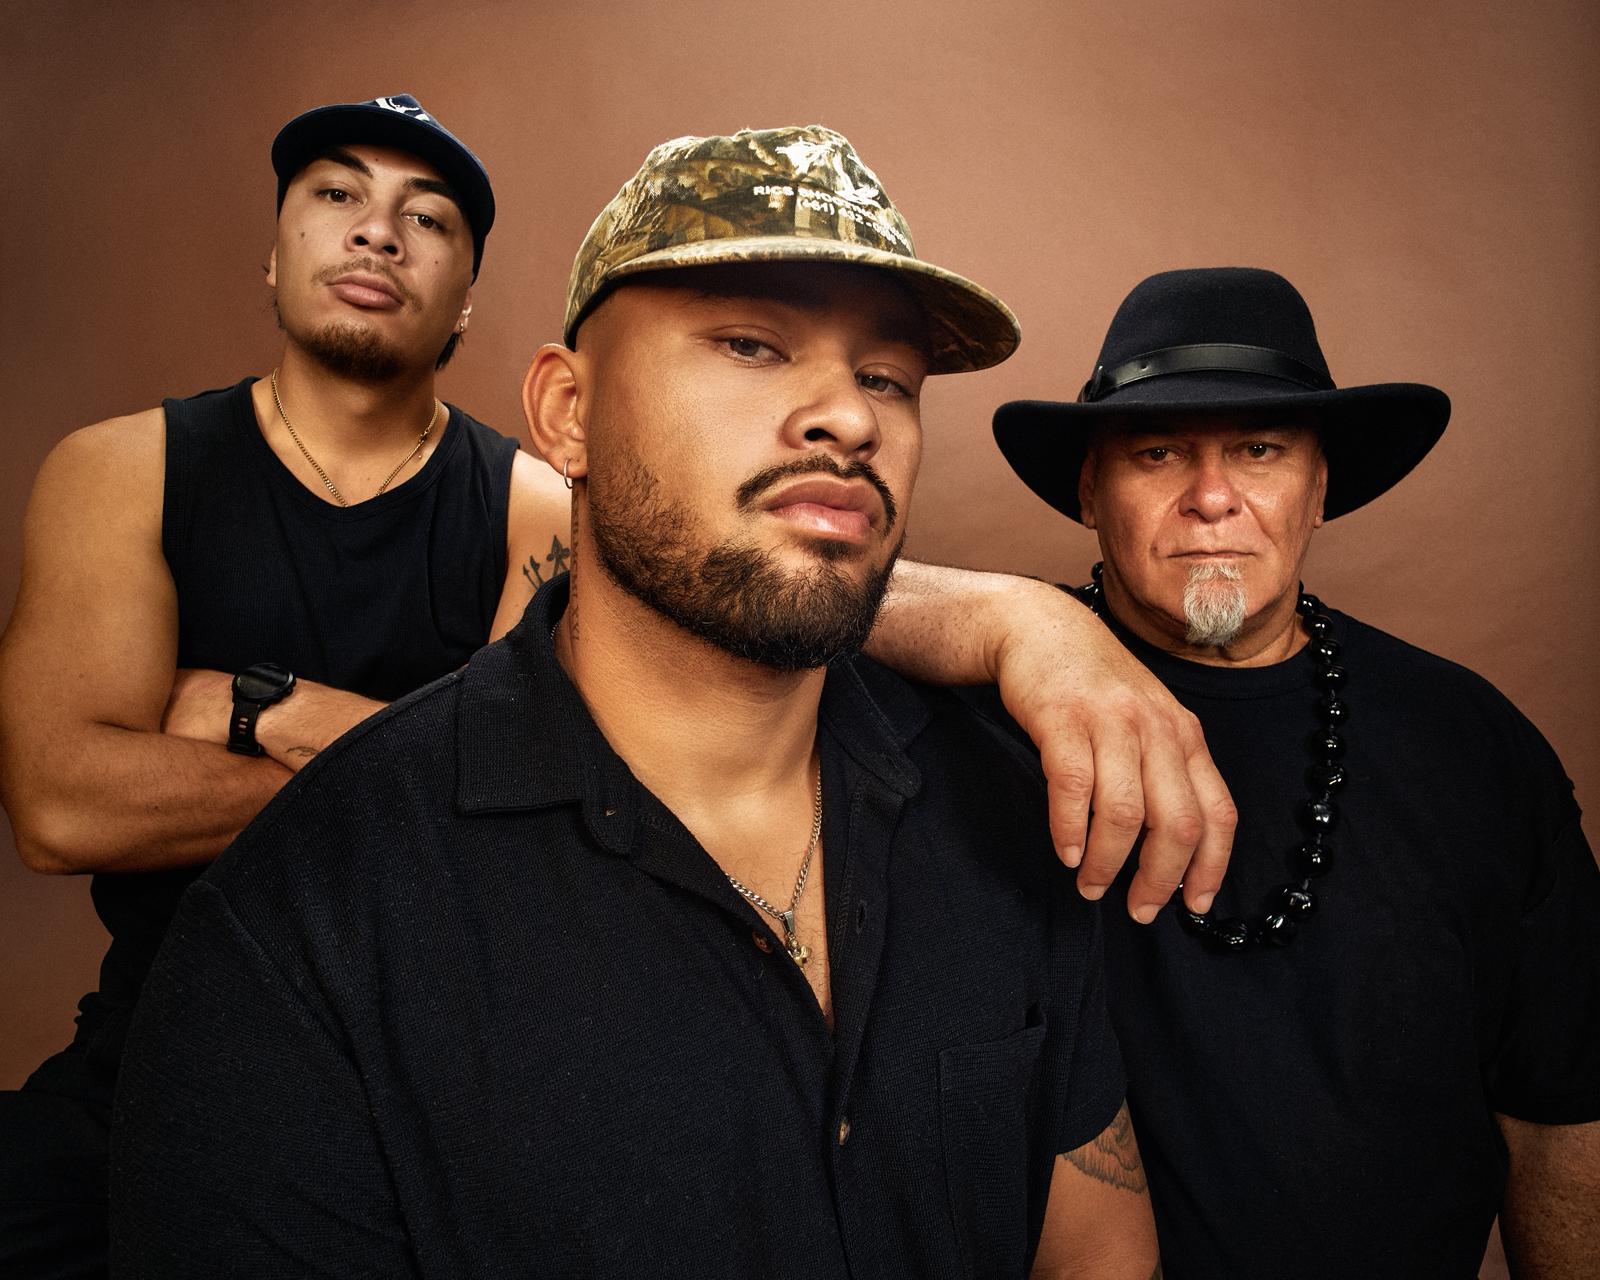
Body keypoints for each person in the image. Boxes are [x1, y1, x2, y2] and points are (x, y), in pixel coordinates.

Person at [110, 125, 1165, 1278]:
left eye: (886, 378)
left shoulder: (1001, 805)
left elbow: (1099, 1255)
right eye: (753, 343)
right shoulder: (311, 914)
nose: (851, 417)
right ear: (567, 412)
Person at [991, 266, 1600, 1277]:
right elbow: (785, 608)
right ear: (1090, 490)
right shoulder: (986, 719)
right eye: (1157, 453)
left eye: (1260, 450)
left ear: (1320, 488)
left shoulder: (1474, 743)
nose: (1212, 497)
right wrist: (1015, 618)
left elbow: (1560, 1112)